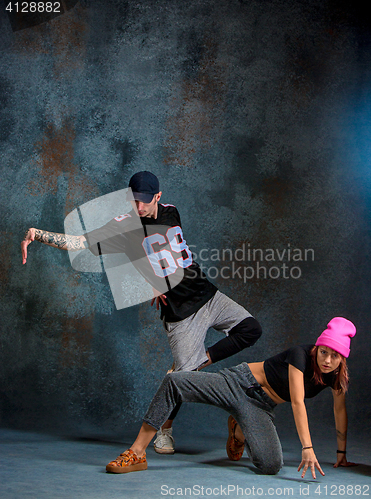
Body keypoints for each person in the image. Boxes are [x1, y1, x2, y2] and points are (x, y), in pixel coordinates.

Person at [21, 171, 262, 454]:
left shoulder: (172, 212)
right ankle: (165, 429)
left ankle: (199, 360)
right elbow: (81, 242)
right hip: (180, 313)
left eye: (145, 202)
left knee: (251, 329)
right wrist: (38, 235)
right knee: (181, 380)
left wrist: (153, 280)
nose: (139, 207)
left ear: (158, 197)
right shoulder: (122, 227)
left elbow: (163, 254)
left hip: (207, 295)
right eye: (134, 200)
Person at [105, 317, 357, 479]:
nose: (326, 360)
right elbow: (298, 401)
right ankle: (137, 452)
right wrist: (308, 448)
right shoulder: (300, 355)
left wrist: (341, 453)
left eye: (334, 356)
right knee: (174, 381)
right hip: (238, 382)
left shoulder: (335, 378)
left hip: (260, 407)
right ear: (317, 348)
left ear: (342, 359)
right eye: (324, 352)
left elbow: (339, 411)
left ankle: (238, 428)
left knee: (271, 465)